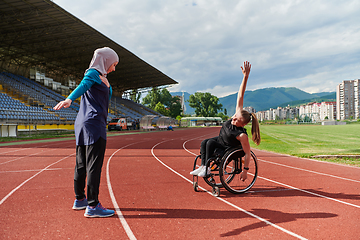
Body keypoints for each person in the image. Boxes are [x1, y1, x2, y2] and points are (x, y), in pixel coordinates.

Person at [53, 47, 119, 218]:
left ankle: (80, 199)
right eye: (113, 64)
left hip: (82, 124)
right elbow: (83, 85)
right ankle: (93, 205)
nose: (113, 68)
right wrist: (69, 99)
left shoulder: (100, 77)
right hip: (94, 124)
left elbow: (104, 95)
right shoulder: (93, 74)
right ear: (106, 61)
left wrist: (106, 83)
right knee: (94, 166)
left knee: (81, 164)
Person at [190, 61, 260, 179]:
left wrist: (245, 171)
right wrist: (245, 77)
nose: (233, 118)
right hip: (221, 141)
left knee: (210, 143)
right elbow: (240, 95)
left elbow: (247, 153)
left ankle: (206, 169)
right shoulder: (237, 115)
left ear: (242, 124)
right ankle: (203, 167)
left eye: (236, 120)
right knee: (204, 142)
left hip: (227, 148)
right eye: (235, 116)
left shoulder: (242, 135)